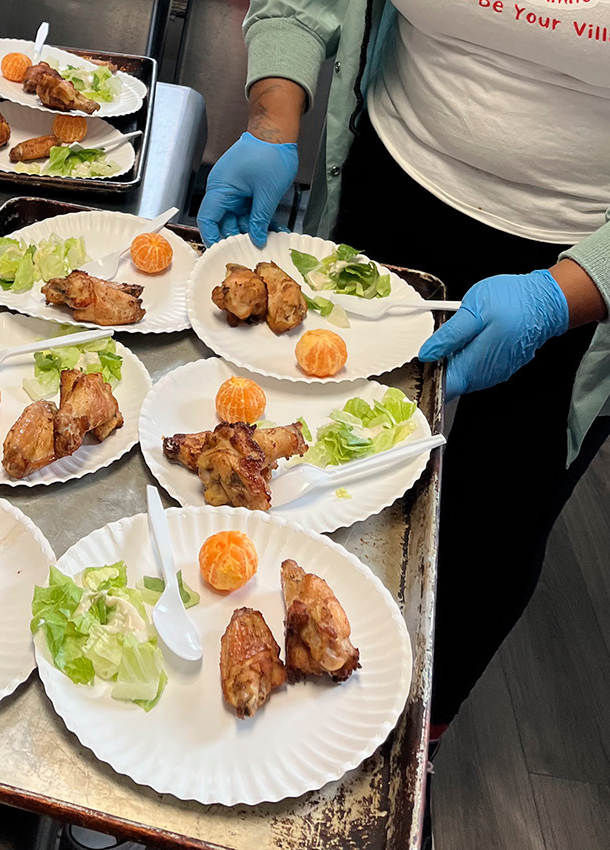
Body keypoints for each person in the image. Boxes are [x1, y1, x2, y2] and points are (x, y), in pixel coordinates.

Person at [198, 0, 610, 731]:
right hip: (390, 203)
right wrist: (270, 120)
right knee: (312, 482)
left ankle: (407, 743)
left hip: (577, 268)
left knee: (487, 532)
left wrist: (566, 295)